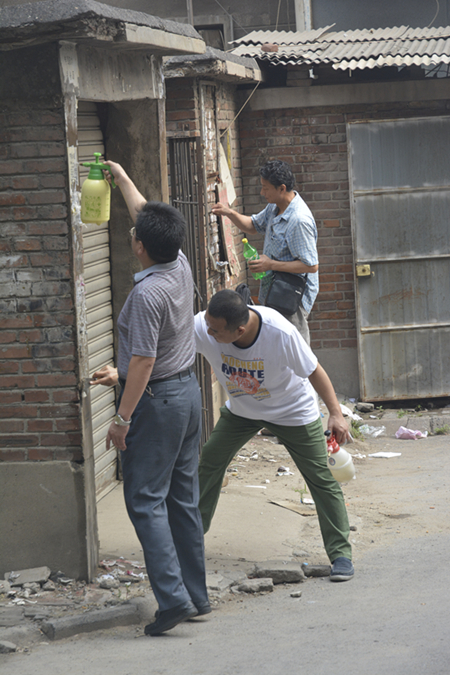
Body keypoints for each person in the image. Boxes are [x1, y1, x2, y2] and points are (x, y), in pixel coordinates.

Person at [90, 161, 210, 636]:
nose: (133, 233)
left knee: (144, 499)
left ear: (140, 246)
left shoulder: (146, 295)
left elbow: (142, 363)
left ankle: (174, 600)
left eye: (134, 233)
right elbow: (146, 214)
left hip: (157, 402)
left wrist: (121, 419)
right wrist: (121, 178)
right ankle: (196, 596)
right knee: (182, 499)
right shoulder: (178, 263)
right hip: (187, 395)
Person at [195, 289, 354, 582]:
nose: (208, 333)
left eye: (215, 331)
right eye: (208, 325)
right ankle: (191, 538)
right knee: (210, 461)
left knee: (320, 478)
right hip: (243, 410)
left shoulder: (280, 332)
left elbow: (314, 370)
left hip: (292, 412)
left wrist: (335, 413)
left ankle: (341, 554)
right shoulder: (204, 325)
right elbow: (166, 349)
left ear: (239, 330)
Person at [212, 159, 318, 344]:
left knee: (294, 348)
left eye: (266, 188)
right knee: (275, 345)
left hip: (292, 297)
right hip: (275, 292)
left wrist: (270, 264)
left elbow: (311, 265)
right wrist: (229, 213)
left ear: (282, 188)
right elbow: (253, 226)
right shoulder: (275, 207)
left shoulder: (299, 221)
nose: (262, 192)